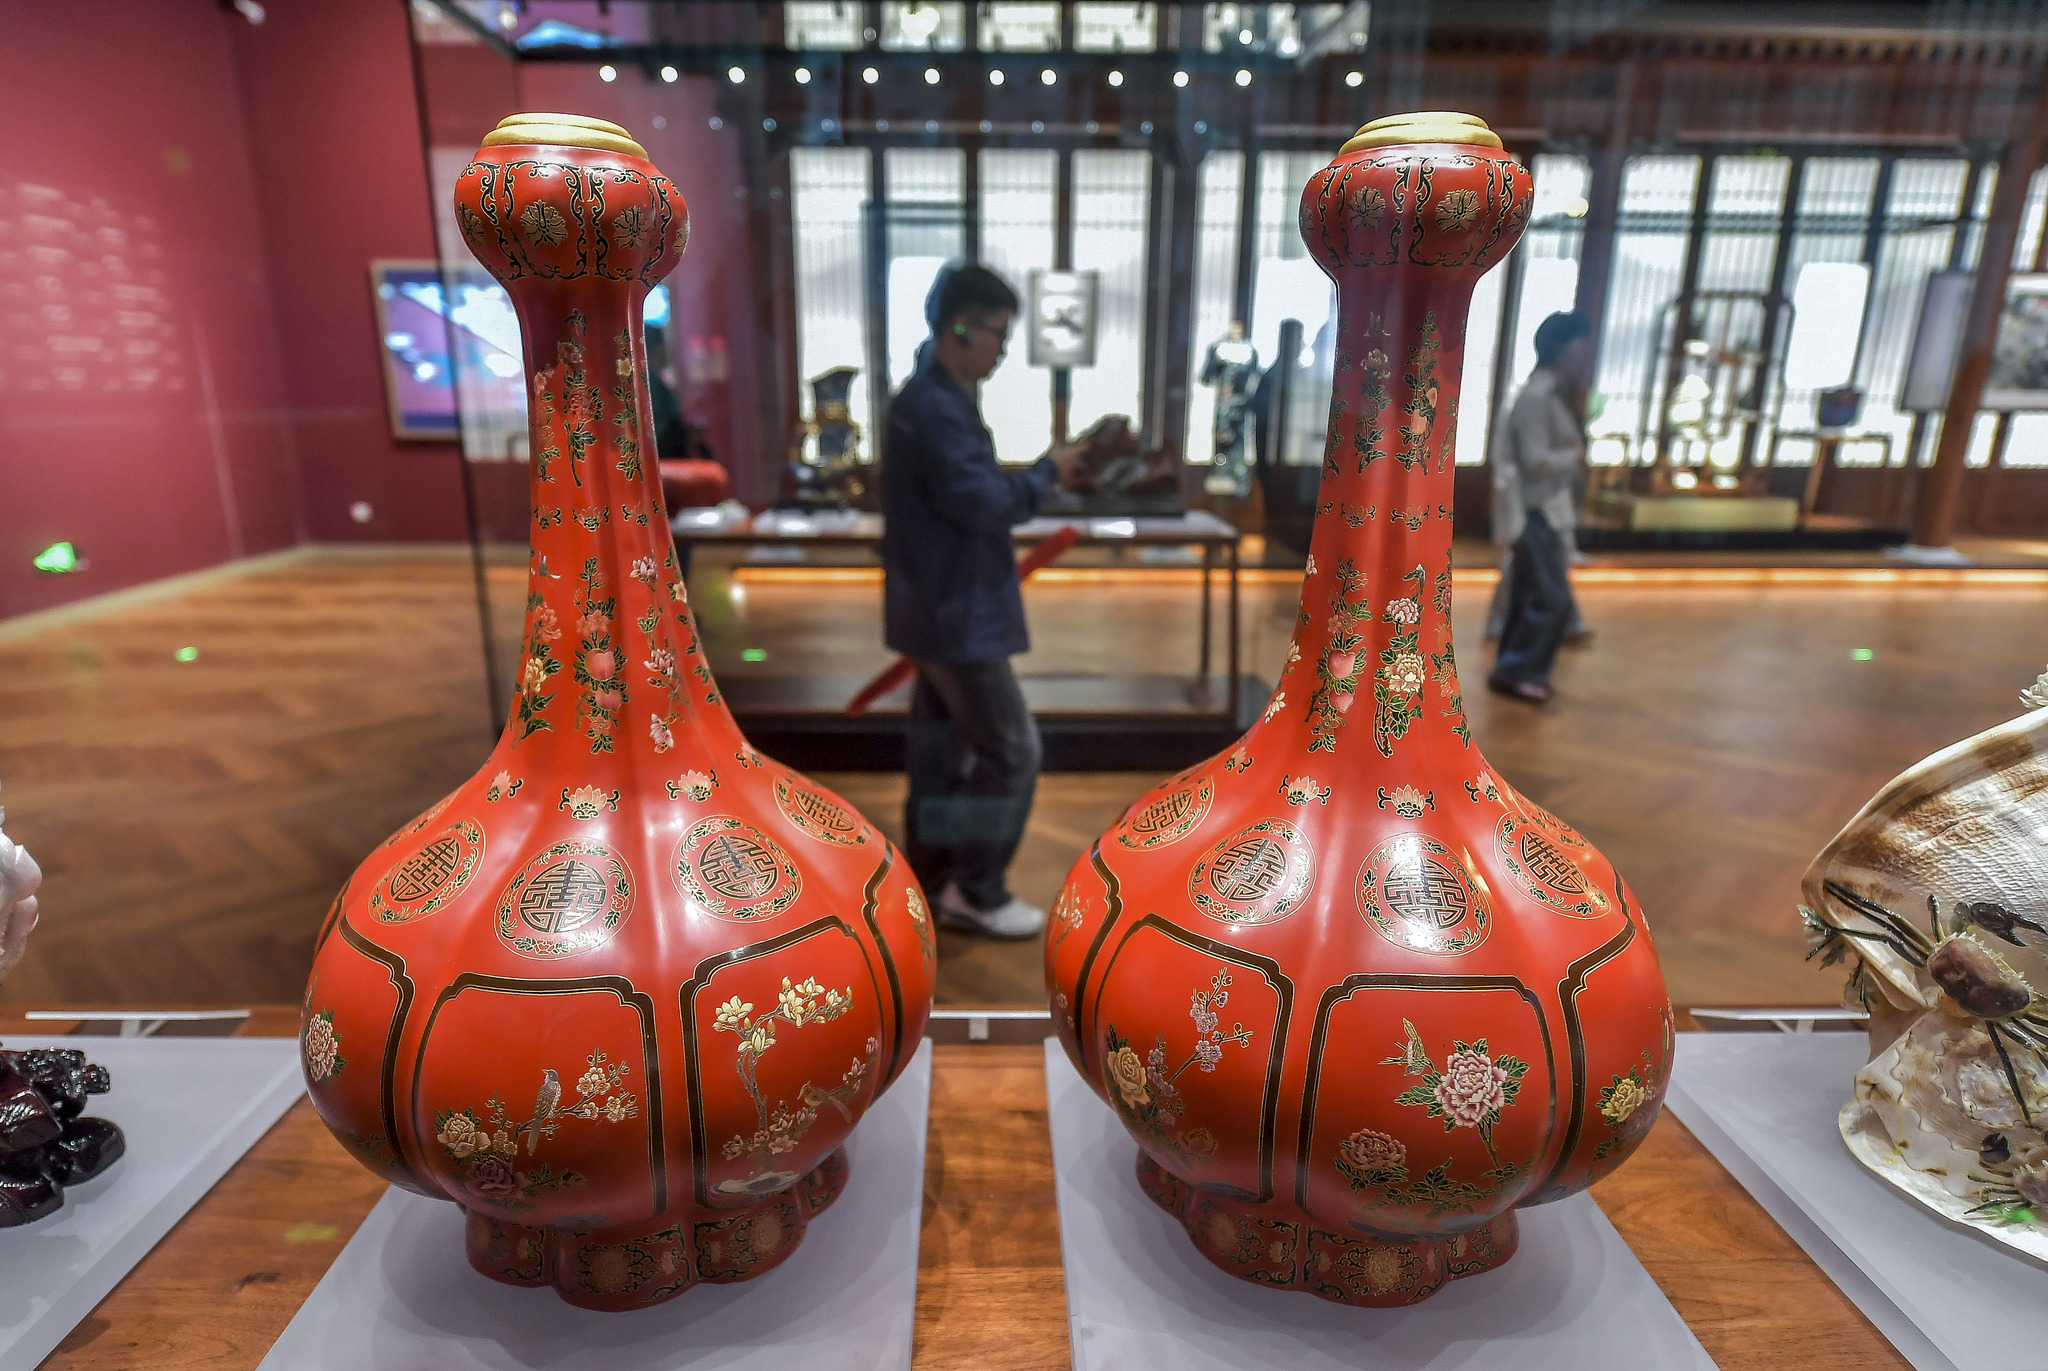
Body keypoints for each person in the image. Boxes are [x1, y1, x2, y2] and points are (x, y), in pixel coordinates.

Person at [880, 265, 1100, 938]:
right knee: (1011, 751)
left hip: (939, 606)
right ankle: (976, 886)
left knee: (945, 752)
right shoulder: (934, 406)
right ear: (959, 327)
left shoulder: (932, 398)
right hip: (956, 613)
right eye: (998, 334)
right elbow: (981, 502)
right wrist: (1047, 473)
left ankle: (936, 875)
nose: (1003, 350)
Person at [1488, 311, 1594, 704]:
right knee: (1546, 597)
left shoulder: (1546, 394)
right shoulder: (1537, 397)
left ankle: (1515, 668)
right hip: (1535, 509)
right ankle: (1518, 670)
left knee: (1532, 594)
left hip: (1542, 508)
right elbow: (1534, 459)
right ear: (1565, 349)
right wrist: (1574, 455)